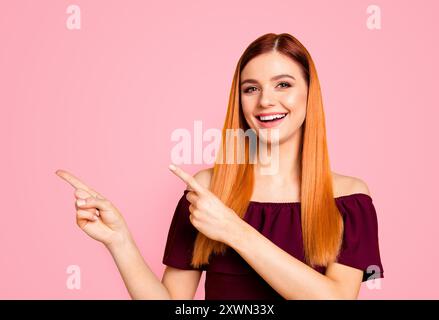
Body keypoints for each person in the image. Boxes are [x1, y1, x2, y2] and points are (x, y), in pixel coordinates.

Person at [56, 32, 384, 300]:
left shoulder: (349, 197)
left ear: (310, 94)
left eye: (283, 84)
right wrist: (119, 241)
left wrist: (234, 230)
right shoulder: (208, 190)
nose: (265, 100)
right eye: (251, 88)